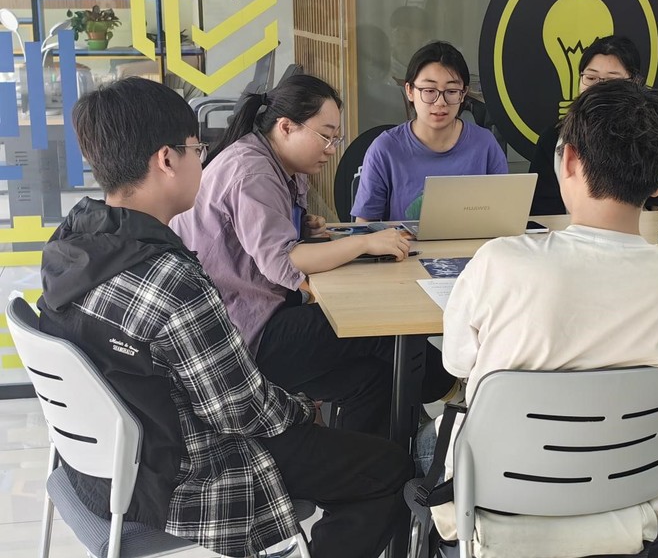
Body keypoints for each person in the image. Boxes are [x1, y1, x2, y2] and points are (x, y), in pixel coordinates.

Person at [36, 77, 414, 558]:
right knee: (389, 469)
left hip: (106, 471)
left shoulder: (70, 246)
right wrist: (304, 409)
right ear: (167, 159)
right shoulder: (170, 279)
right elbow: (243, 410)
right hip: (194, 478)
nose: (205, 161)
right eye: (198, 149)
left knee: (359, 396)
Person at [415, 79, 658, 555]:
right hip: (628, 514)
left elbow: (457, 363)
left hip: (497, 516)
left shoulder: (501, 263)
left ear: (569, 160)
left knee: (427, 440)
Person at [170, 74, 454, 436]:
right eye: (325, 136)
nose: (331, 149)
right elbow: (284, 262)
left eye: (336, 138)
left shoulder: (271, 160)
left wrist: (300, 226)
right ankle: (456, 389)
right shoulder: (252, 171)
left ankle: (370, 464)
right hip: (243, 336)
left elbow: (259, 239)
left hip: (247, 319)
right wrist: (365, 243)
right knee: (377, 327)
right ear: (286, 127)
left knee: (374, 379)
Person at [529, 34, 658, 215]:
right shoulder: (555, 138)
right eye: (591, 78)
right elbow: (540, 210)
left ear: (635, 83)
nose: (599, 88)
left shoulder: (648, 134)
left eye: (612, 80)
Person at [351, 41, 508, 222]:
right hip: (404, 242)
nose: (440, 102)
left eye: (451, 91)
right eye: (429, 90)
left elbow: (504, 216)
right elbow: (365, 225)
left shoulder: (485, 144)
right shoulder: (385, 148)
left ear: (463, 93)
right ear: (410, 91)